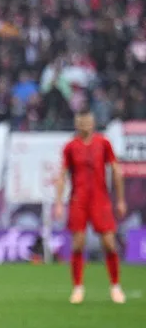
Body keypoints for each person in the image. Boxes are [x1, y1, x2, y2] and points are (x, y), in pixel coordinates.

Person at [54, 110, 126, 304]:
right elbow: (62, 175)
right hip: (78, 199)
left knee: (109, 243)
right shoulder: (71, 147)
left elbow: (116, 170)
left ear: (93, 123)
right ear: (76, 124)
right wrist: (59, 202)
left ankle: (115, 286)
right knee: (78, 244)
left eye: (87, 121)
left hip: (100, 199)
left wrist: (120, 200)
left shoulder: (103, 143)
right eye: (81, 122)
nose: (84, 125)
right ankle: (78, 288)